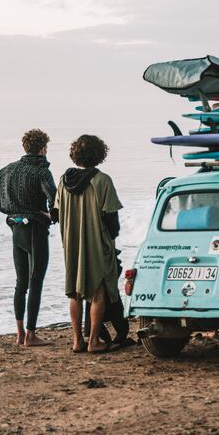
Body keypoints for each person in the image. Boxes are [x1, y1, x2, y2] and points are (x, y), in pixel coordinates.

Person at [0, 129, 56, 346]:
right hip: (35, 229)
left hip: (16, 229)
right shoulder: (41, 171)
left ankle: (19, 335)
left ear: (25, 147)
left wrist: (9, 211)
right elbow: (55, 198)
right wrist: (50, 215)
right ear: (43, 148)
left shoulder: (9, 169)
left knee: (21, 282)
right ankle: (31, 335)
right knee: (36, 281)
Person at [53, 135, 123, 353]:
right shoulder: (102, 180)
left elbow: (55, 213)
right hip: (96, 243)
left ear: (75, 154)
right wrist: (113, 237)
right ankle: (94, 341)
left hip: (71, 244)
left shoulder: (64, 180)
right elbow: (111, 217)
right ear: (99, 154)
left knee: (74, 292)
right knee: (98, 291)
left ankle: (77, 341)